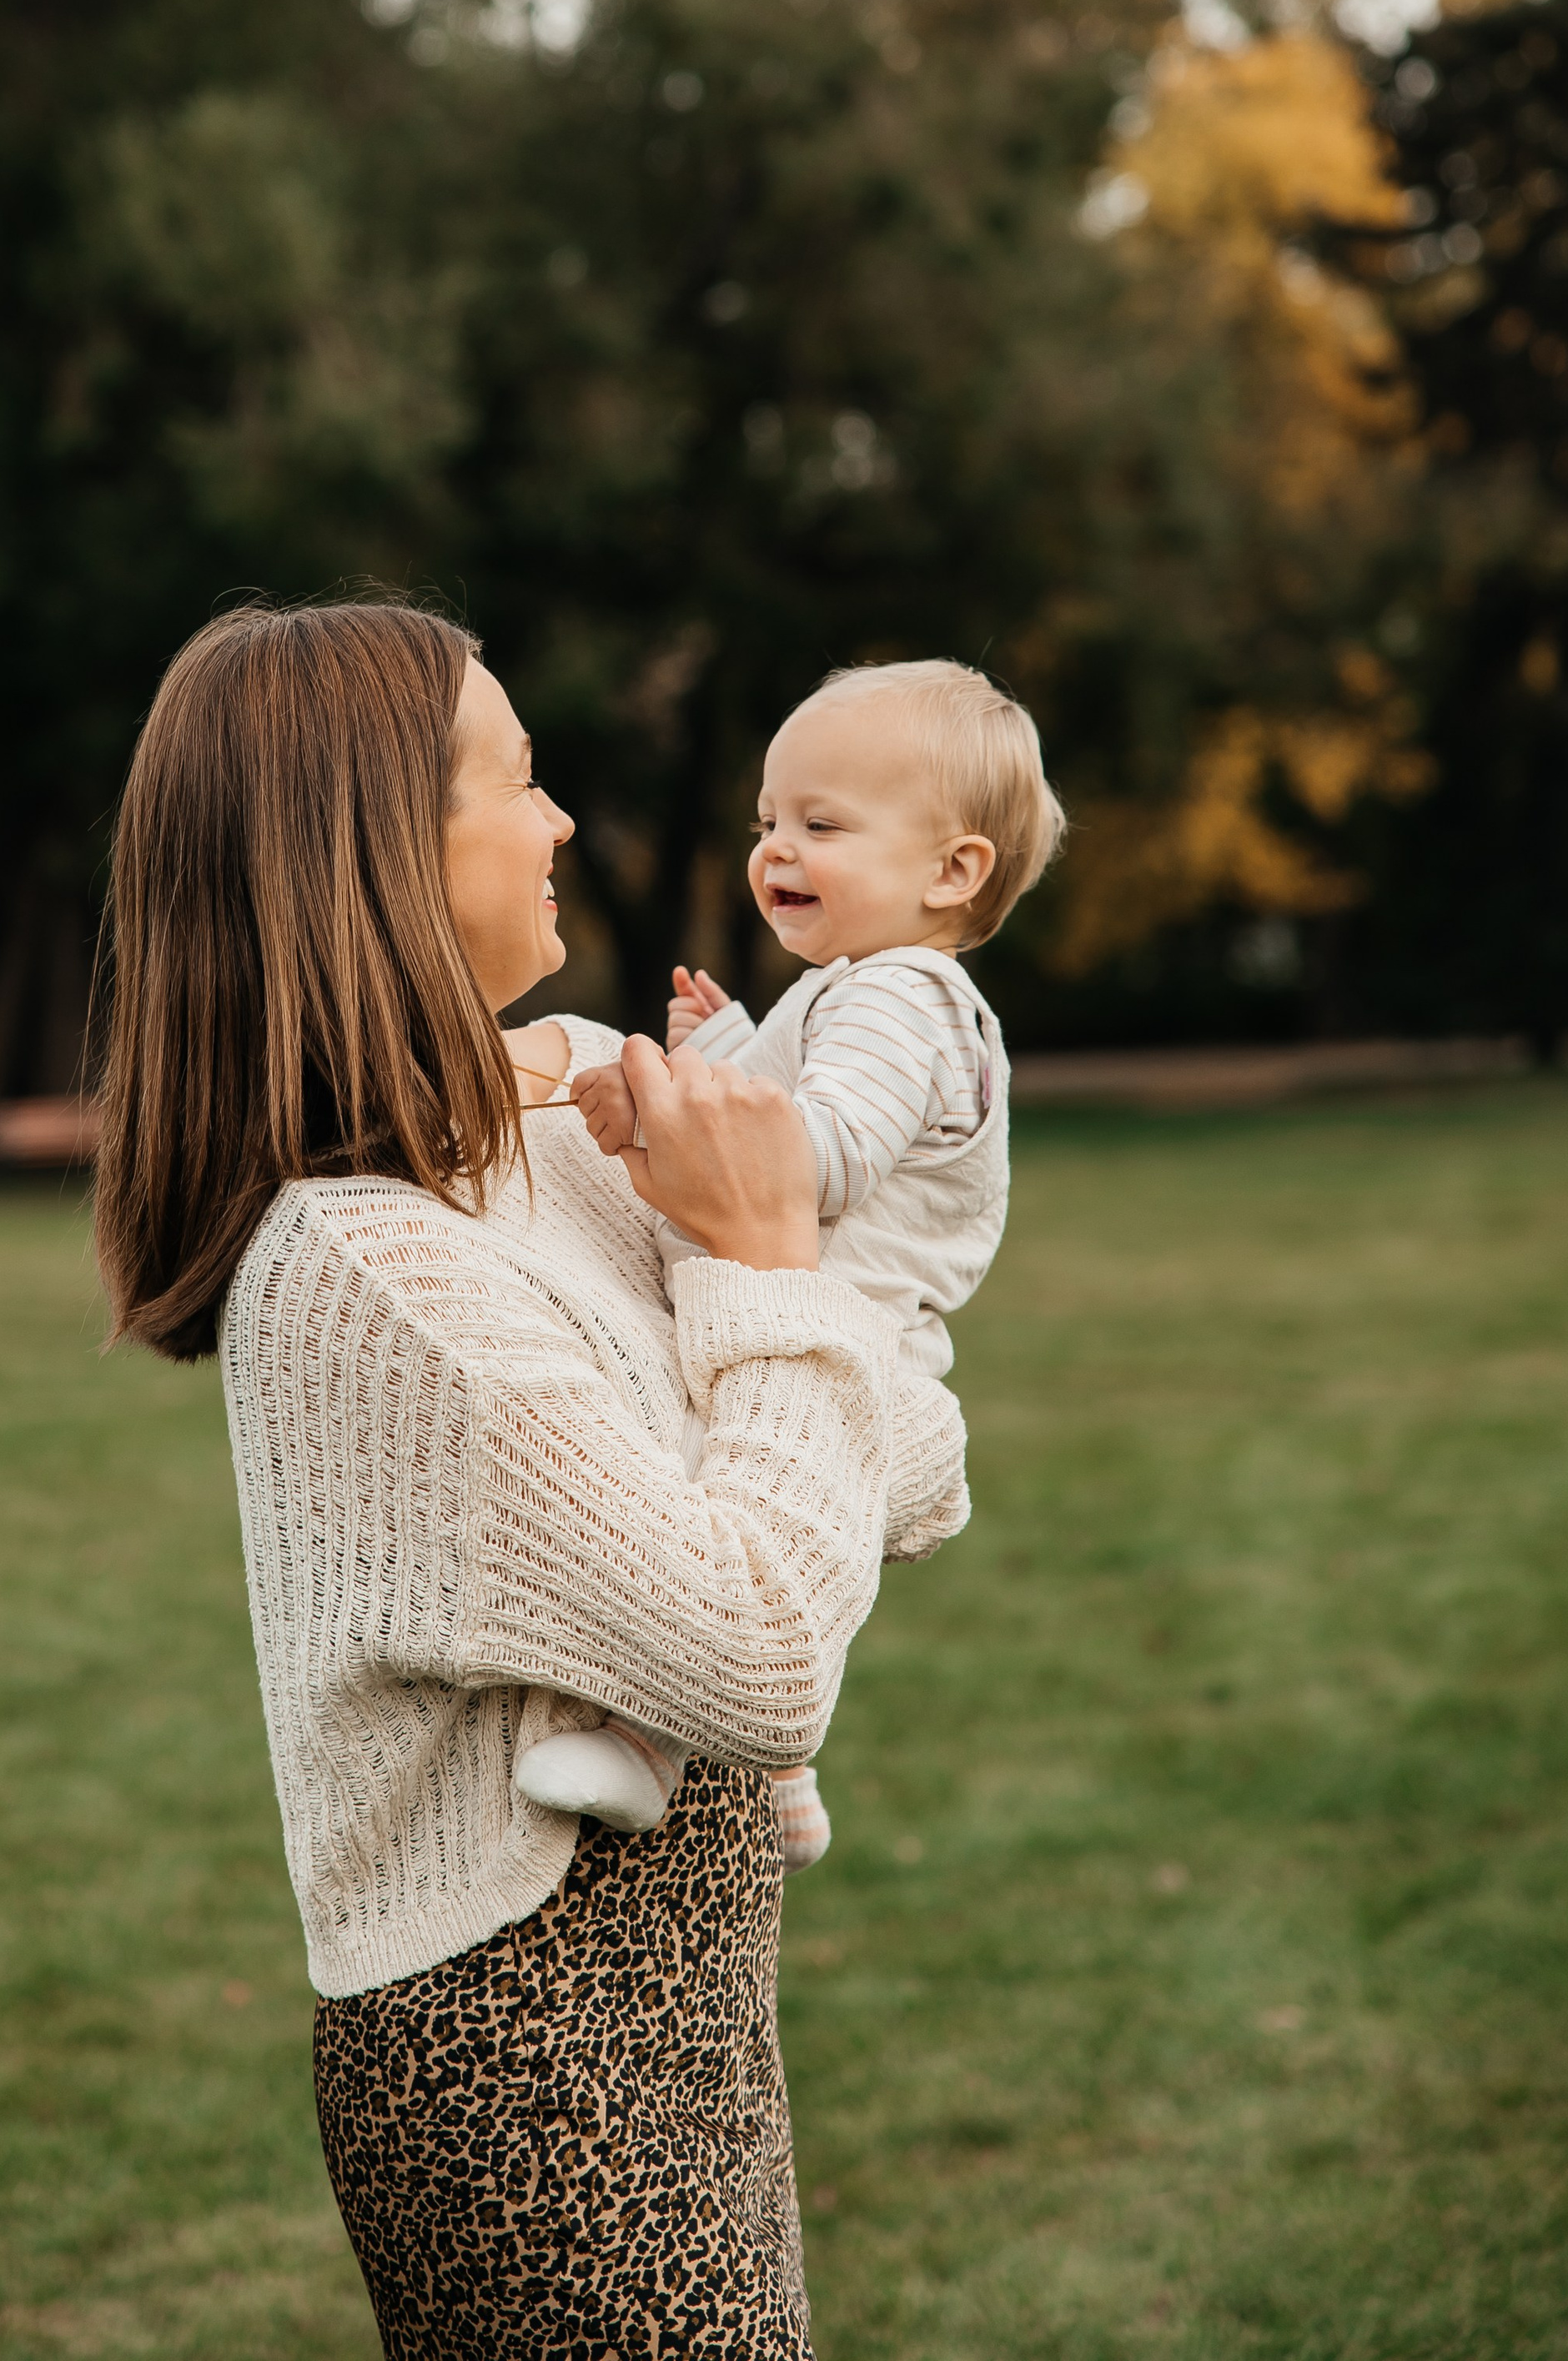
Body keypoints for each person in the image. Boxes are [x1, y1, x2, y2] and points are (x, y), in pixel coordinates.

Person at [92, 600, 970, 2359]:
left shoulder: (570, 1112)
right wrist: (769, 1273)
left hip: (694, 2022)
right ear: (376, 858)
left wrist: (780, 1302)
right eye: (519, 778)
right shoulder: (362, 1272)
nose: (566, 822)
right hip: (534, 2080)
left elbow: (919, 1460)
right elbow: (760, 1653)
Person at [519, 661, 1063, 1872]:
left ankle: (647, 1738)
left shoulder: (902, 1000)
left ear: (952, 869)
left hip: (845, 1332)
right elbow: (798, 1102)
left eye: (820, 824)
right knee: (743, 1531)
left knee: (700, 1509)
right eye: (768, 821)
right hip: (841, 1318)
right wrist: (722, 1048)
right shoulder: (867, 993)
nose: (776, 849)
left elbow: (813, 1161)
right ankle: (784, 1772)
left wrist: (675, 1108)